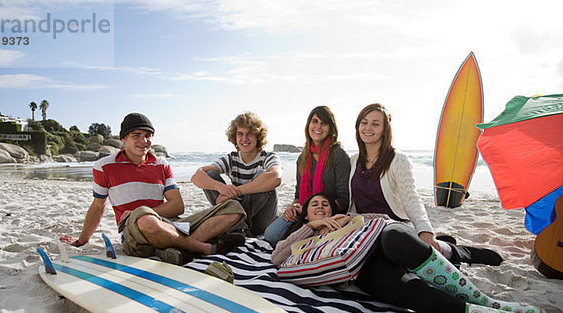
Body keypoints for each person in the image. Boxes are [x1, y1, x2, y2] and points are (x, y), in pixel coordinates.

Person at [272, 193, 562, 313]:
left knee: (396, 235)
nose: (321, 207)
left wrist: (348, 218)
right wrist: (315, 227)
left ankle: (488, 302)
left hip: (379, 242)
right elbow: (278, 257)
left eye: (325, 204)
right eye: (315, 206)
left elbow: (387, 221)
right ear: (306, 213)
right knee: (419, 295)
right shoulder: (303, 234)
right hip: (361, 269)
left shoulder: (350, 217)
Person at [60, 112, 247, 265]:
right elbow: (98, 205)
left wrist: (142, 212)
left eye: (148, 135)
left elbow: (177, 207)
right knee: (145, 218)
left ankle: (175, 249)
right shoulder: (104, 166)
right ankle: (204, 248)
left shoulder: (161, 164)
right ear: (123, 139)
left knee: (234, 208)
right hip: (136, 234)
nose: (144, 141)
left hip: (169, 225)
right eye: (136, 136)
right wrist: (82, 240)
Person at [348, 103, 503, 266]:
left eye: (375, 124)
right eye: (364, 122)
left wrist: (425, 230)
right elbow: (352, 202)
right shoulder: (353, 161)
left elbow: (412, 199)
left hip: (393, 228)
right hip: (364, 228)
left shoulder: (397, 160)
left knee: (399, 248)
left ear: (385, 129)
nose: (368, 128)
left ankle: (453, 250)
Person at [264, 105, 350, 245]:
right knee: (271, 234)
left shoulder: (338, 155)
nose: (318, 126)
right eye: (315, 121)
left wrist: (316, 212)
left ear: (331, 128)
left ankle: (311, 233)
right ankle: (308, 232)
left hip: (328, 213)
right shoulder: (303, 157)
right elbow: (298, 195)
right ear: (308, 125)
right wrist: (294, 207)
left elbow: (344, 200)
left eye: (324, 123)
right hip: (305, 213)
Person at [191, 112, 282, 236]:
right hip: (236, 217)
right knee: (210, 174)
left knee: (263, 175)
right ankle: (240, 226)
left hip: (262, 220)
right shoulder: (231, 159)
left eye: (250, 133)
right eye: (240, 134)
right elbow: (197, 176)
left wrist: (237, 191)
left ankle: (238, 225)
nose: (244, 138)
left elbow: (276, 178)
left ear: (258, 136)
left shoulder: (268, 157)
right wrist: (221, 188)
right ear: (235, 136)